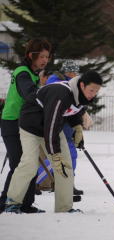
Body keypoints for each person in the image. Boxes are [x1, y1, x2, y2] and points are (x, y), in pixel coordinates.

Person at [4, 70, 102, 213]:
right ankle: (11, 203)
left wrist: (77, 127)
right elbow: (51, 125)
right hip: (31, 125)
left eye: (96, 91)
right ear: (82, 85)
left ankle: (64, 207)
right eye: (91, 90)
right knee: (29, 163)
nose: (93, 94)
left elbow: (71, 111)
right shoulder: (61, 94)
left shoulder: (80, 96)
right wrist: (54, 154)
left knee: (65, 164)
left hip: (51, 127)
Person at [0, 39, 51, 213]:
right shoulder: (23, 72)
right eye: (41, 56)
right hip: (12, 122)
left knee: (29, 163)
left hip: (25, 124)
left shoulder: (33, 74)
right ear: (31, 56)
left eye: (47, 56)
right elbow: (29, 94)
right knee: (19, 165)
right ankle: (5, 203)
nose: (45, 60)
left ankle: (26, 204)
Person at [39, 60, 84, 196]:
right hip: (57, 123)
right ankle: (37, 180)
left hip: (68, 123)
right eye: (72, 71)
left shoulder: (74, 83)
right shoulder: (55, 81)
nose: (74, 74)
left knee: (70, 154)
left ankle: (67, 182)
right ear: (66, 71)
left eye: (75, 71)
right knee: (58, 154)